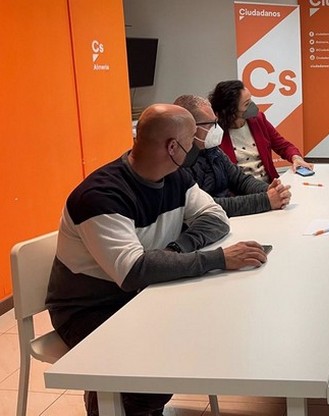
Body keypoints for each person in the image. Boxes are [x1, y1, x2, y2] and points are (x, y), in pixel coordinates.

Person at [45, 104, 269, 415]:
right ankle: (110, 405)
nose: (196, 147)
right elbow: (134, 271)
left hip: (144, 292)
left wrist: (175, 251)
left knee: (193, 339)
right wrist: (216, 258)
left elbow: (216, 217)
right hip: (90, 308)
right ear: (173, 147)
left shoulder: (176, 176)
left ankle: (137, 405)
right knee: (153, 366)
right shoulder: (100, 196)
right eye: (191, 141)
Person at [174, 94, 292, 216]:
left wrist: (269, 189)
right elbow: (205, 205)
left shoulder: (213, 151)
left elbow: (240, 180)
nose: (216, 128)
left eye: (216, 122)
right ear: (190, 127)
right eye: (210, 124)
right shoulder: (178, 163)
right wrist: (266, 200)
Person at [209, 80, 313, 182]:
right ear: (231, 111)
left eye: (250, 100)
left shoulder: (258, 120)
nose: (253, 106)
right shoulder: (215, 133)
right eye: (247, 104)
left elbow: (284, 146)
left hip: (269, 184)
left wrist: (296, 158)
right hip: (240, 190)